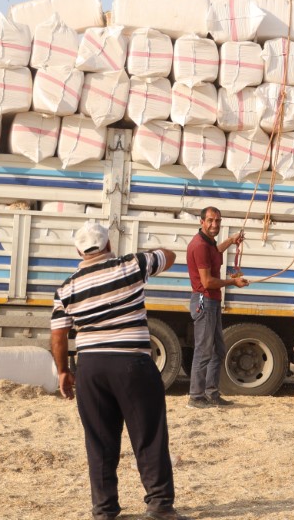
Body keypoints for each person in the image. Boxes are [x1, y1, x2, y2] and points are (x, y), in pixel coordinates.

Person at [51, 220, 190, 520]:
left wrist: (63, 371)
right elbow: (169, 255)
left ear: (78, 250)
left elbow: (59, 335)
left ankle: (104, 510)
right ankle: (160, 505)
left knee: (99, 440)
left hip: (90, 368)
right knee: (149, 434)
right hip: (132, 363)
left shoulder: (66, 288)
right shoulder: (131, 265)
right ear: (109, 245)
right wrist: (137, 256)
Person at [186, 206, 249, 409]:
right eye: (211, 220)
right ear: (201, 221)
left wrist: (231, 241)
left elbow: (216, 251)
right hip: (205, 301)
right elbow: (207, 282)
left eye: (218, 221)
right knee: (204, 351)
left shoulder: (208, 242)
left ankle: (211, 394)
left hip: (212, 301)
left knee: (218, 350)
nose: (215, 225)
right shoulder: (200, 246)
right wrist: (233, 283)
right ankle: (196, 397)